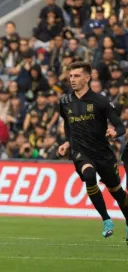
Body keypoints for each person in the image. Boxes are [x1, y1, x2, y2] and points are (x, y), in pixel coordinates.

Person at [58, 61, 128, 240]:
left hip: (103, 153)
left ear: (87, 78)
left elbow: (120, 126)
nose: (72, 79)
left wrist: (114, 131)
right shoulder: (65, 101)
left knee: (117, 191)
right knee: (89, 175)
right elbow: (68, 123)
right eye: (71, 76)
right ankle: (106, 220)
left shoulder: (101, 101)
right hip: (81, 151)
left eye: (77, 76)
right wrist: (67, 142)